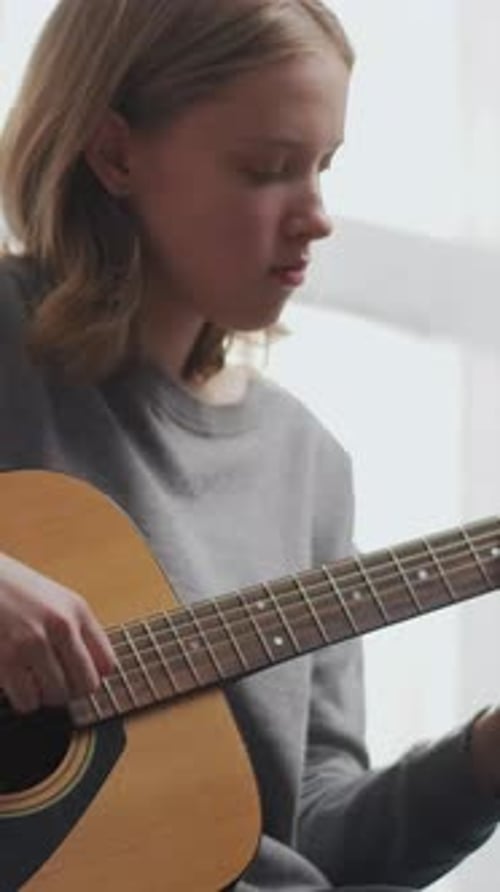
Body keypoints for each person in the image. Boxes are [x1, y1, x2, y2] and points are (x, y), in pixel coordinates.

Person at [0, 1, 499, 890]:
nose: (318, 216)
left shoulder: (308, 464)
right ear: (115, 154)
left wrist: (487, 761)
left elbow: (313, 839)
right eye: (268, 169)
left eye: (324, 166)